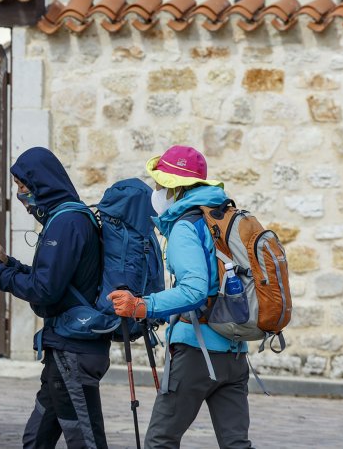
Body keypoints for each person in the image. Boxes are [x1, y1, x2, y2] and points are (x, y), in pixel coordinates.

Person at [0, 146, 109, 449]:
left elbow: (44, 290)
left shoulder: (67, 223)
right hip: (63, 347)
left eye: (22, 184)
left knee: (86, 442)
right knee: (36, 438)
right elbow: (52, 280)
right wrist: (3, 263)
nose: (19, 193)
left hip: (73, 350)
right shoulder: (67, 219)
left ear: (41, 181)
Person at [107, 145, 253, 449]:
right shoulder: (221, 217)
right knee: (236, 444)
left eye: (160, 184)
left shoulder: (186, 227)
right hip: (235, 352)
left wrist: (143, 306)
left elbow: (194, 290)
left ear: (176, 188)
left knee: (160, 440)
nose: (156, 191)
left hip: (196, 352)